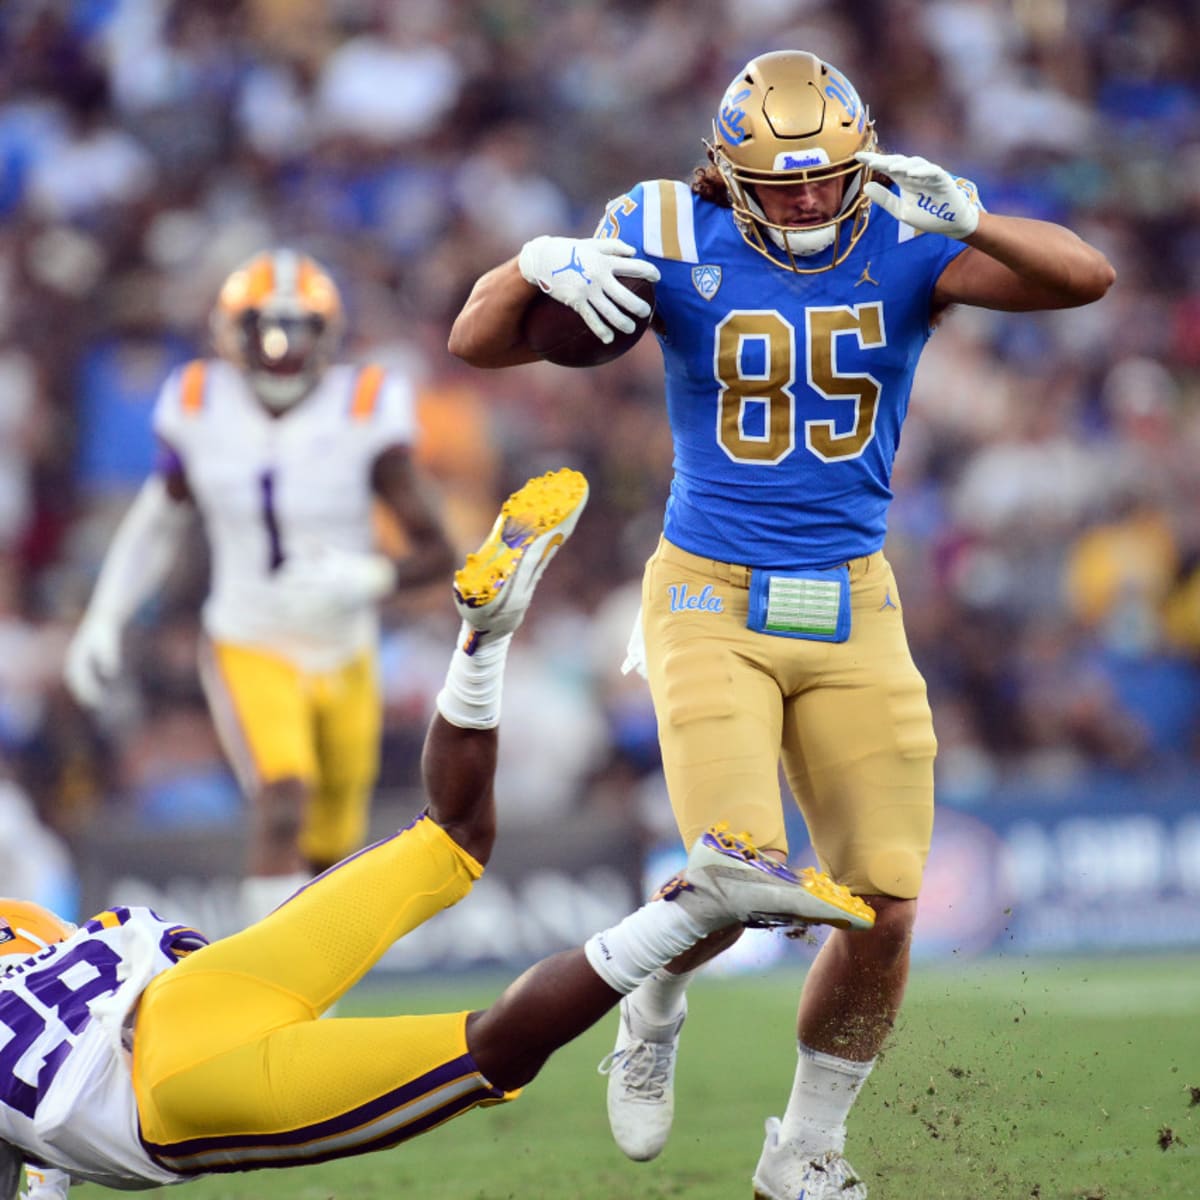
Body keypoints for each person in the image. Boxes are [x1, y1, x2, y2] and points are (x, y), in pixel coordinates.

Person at [446, 49, 1115, 1200]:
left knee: (887, 903)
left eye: (827, 180)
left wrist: (982, 220)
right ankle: (653, 1005)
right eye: (783, 183)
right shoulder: (662, 224)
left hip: (854, 599)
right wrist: (531, 260)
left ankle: (806, 1147)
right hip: (708, 592)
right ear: (725, 174)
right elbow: (477, 341)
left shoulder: (905, 228)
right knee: (732, 871)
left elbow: (1086, 278)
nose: (809, 201)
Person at [0, 466, 874, 1199]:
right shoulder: (13, 921)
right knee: (451, 836)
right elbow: (72, 940)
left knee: (493, 1049)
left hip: (167, 1093)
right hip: (188, 989)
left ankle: (689, 912)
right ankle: (481, 643)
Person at [64, 247, 455, 928]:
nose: (280, 348)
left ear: (327, 335)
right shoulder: (198, 400)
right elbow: (157, 521)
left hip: (345, 647)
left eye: (298, 329)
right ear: (229, 332)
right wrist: (104, 615)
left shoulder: (365, 404)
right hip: (249, 638)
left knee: (332, 844)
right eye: (266, 329)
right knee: (282, 796)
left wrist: (370, 575)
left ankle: (313, 983)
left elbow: (438, 550)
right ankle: (262, 992)